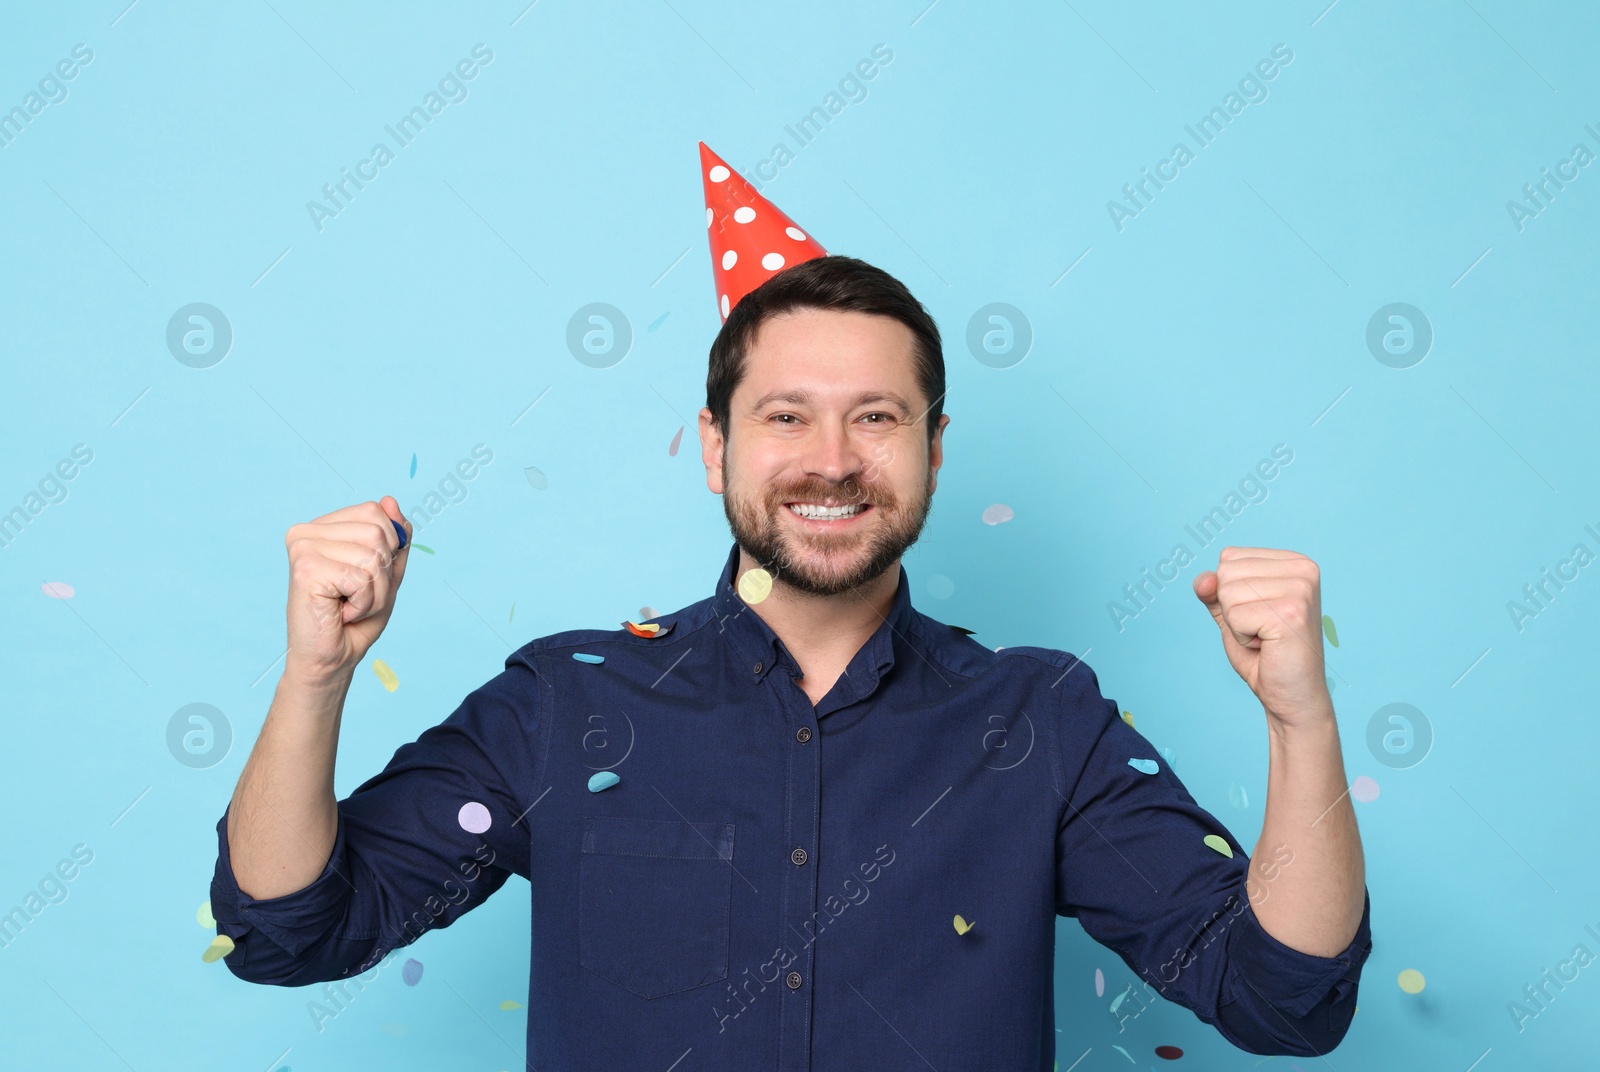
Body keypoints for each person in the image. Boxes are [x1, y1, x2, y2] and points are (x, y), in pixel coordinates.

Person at [211, 253, 1371, 1067]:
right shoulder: (566, 704)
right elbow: (287, 930)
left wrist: (1297, 718)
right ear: (714, 444)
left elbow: (1278, 994)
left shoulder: (1040, 719)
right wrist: (315, 674)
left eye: (875, 417)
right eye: (783, 417)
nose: (831, 461)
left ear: (931, 447)